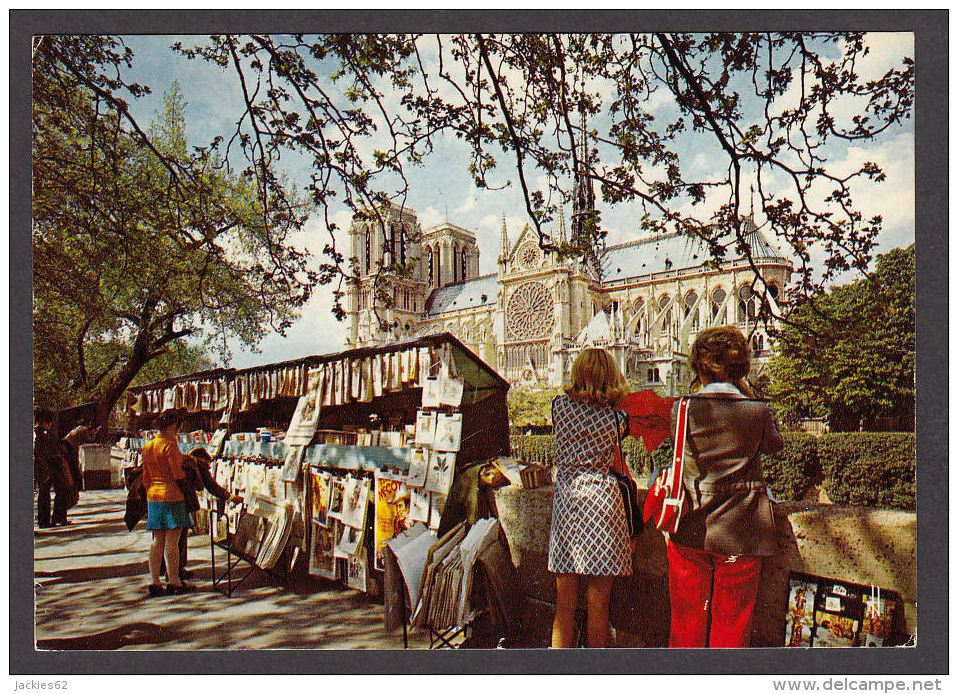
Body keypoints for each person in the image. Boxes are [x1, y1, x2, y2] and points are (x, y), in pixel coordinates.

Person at [665, 326, 784, 648]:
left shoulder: (683, 408)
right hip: (742, 529)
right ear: (740, 366)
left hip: (690, 525)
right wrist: (748, 394)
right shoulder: (757, 409)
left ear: (699, 366)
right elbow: (775, 446)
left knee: (687, 623)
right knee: (732, 628)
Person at [548, 347, 631, 648]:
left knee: (564, 607)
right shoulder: (617, 418)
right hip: (603, 505)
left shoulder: (558, 407)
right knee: (599, 607)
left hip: (568, 504)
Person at [141, 409, 194, 596]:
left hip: (153, 496)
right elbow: (177, 474)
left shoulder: (148, 446)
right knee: (173, 542)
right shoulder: (170, 446)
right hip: (172, 495)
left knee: (157, 541)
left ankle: (154, 581)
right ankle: (174, 581)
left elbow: (145, 477)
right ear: (174, 426)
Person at [174, 447, 242, 579]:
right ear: (203, 460)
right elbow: (211, 486)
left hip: (168, 499)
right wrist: (231, 497)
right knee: (180, 537)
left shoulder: (182, 461)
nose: (209, 469)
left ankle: (169, 570)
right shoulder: (198, 464)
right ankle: (177, 571)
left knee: (169, 538)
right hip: (181, 502)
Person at [35, 408, 70, 528]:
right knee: (45, 495)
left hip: (50, 468)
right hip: (47, 468)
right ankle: (46, 520)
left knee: (54, 493)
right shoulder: (40, 435)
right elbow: (40, 455)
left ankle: (56, 518)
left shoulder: (43, 434)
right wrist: (45, 471)